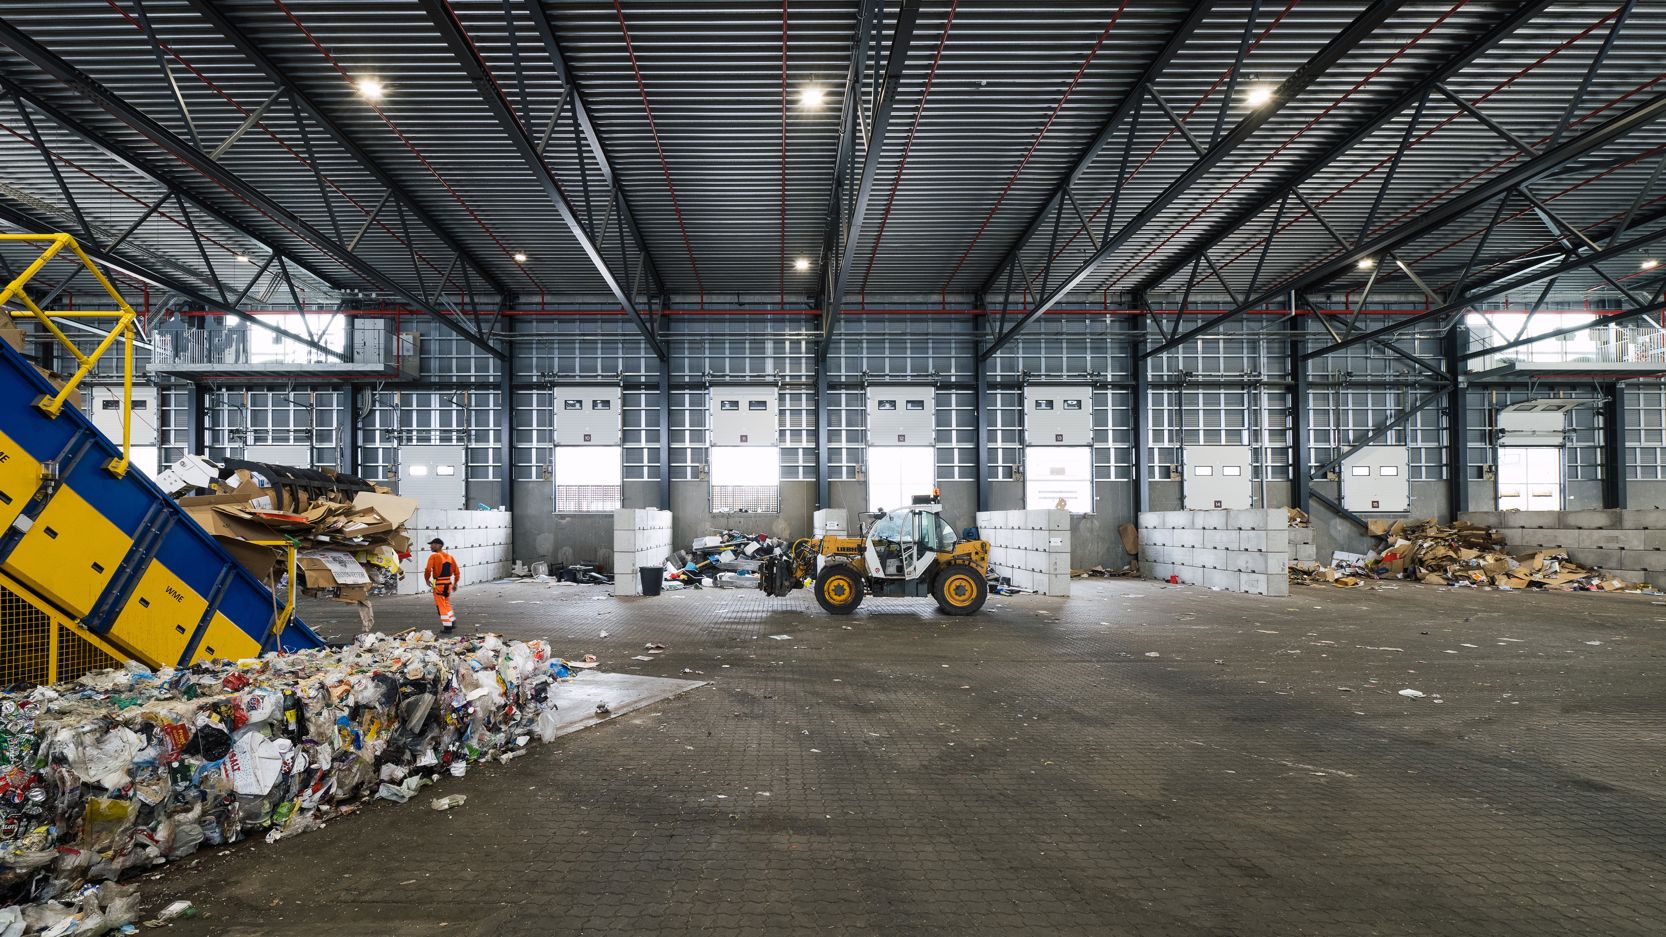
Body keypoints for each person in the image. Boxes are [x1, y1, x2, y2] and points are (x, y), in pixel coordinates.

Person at [424, 537, 461, 633]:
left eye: (432, 544)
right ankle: (452, 622)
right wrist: (455, 583)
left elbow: (428, 569)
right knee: (446, 603)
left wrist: (427, 579)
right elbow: (457, 572)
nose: (430, 546)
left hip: (439, 584)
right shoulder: (449, 557)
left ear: (439, 545)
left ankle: (447, 627)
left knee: (441, 606)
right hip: (448, 584)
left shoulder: (434, 556)